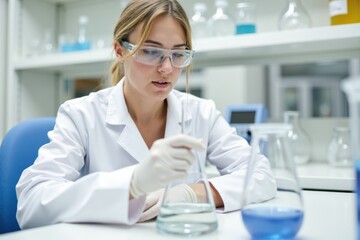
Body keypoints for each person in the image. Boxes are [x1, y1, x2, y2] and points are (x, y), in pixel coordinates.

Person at [16, 0, 276, 229]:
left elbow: (261, 174)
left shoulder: (200, 112)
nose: (166, 68)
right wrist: (132, 185)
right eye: (151, 51)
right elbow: (32, 203)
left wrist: (191, 193)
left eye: (178, 54)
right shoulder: (82, 115)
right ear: (120, 51)